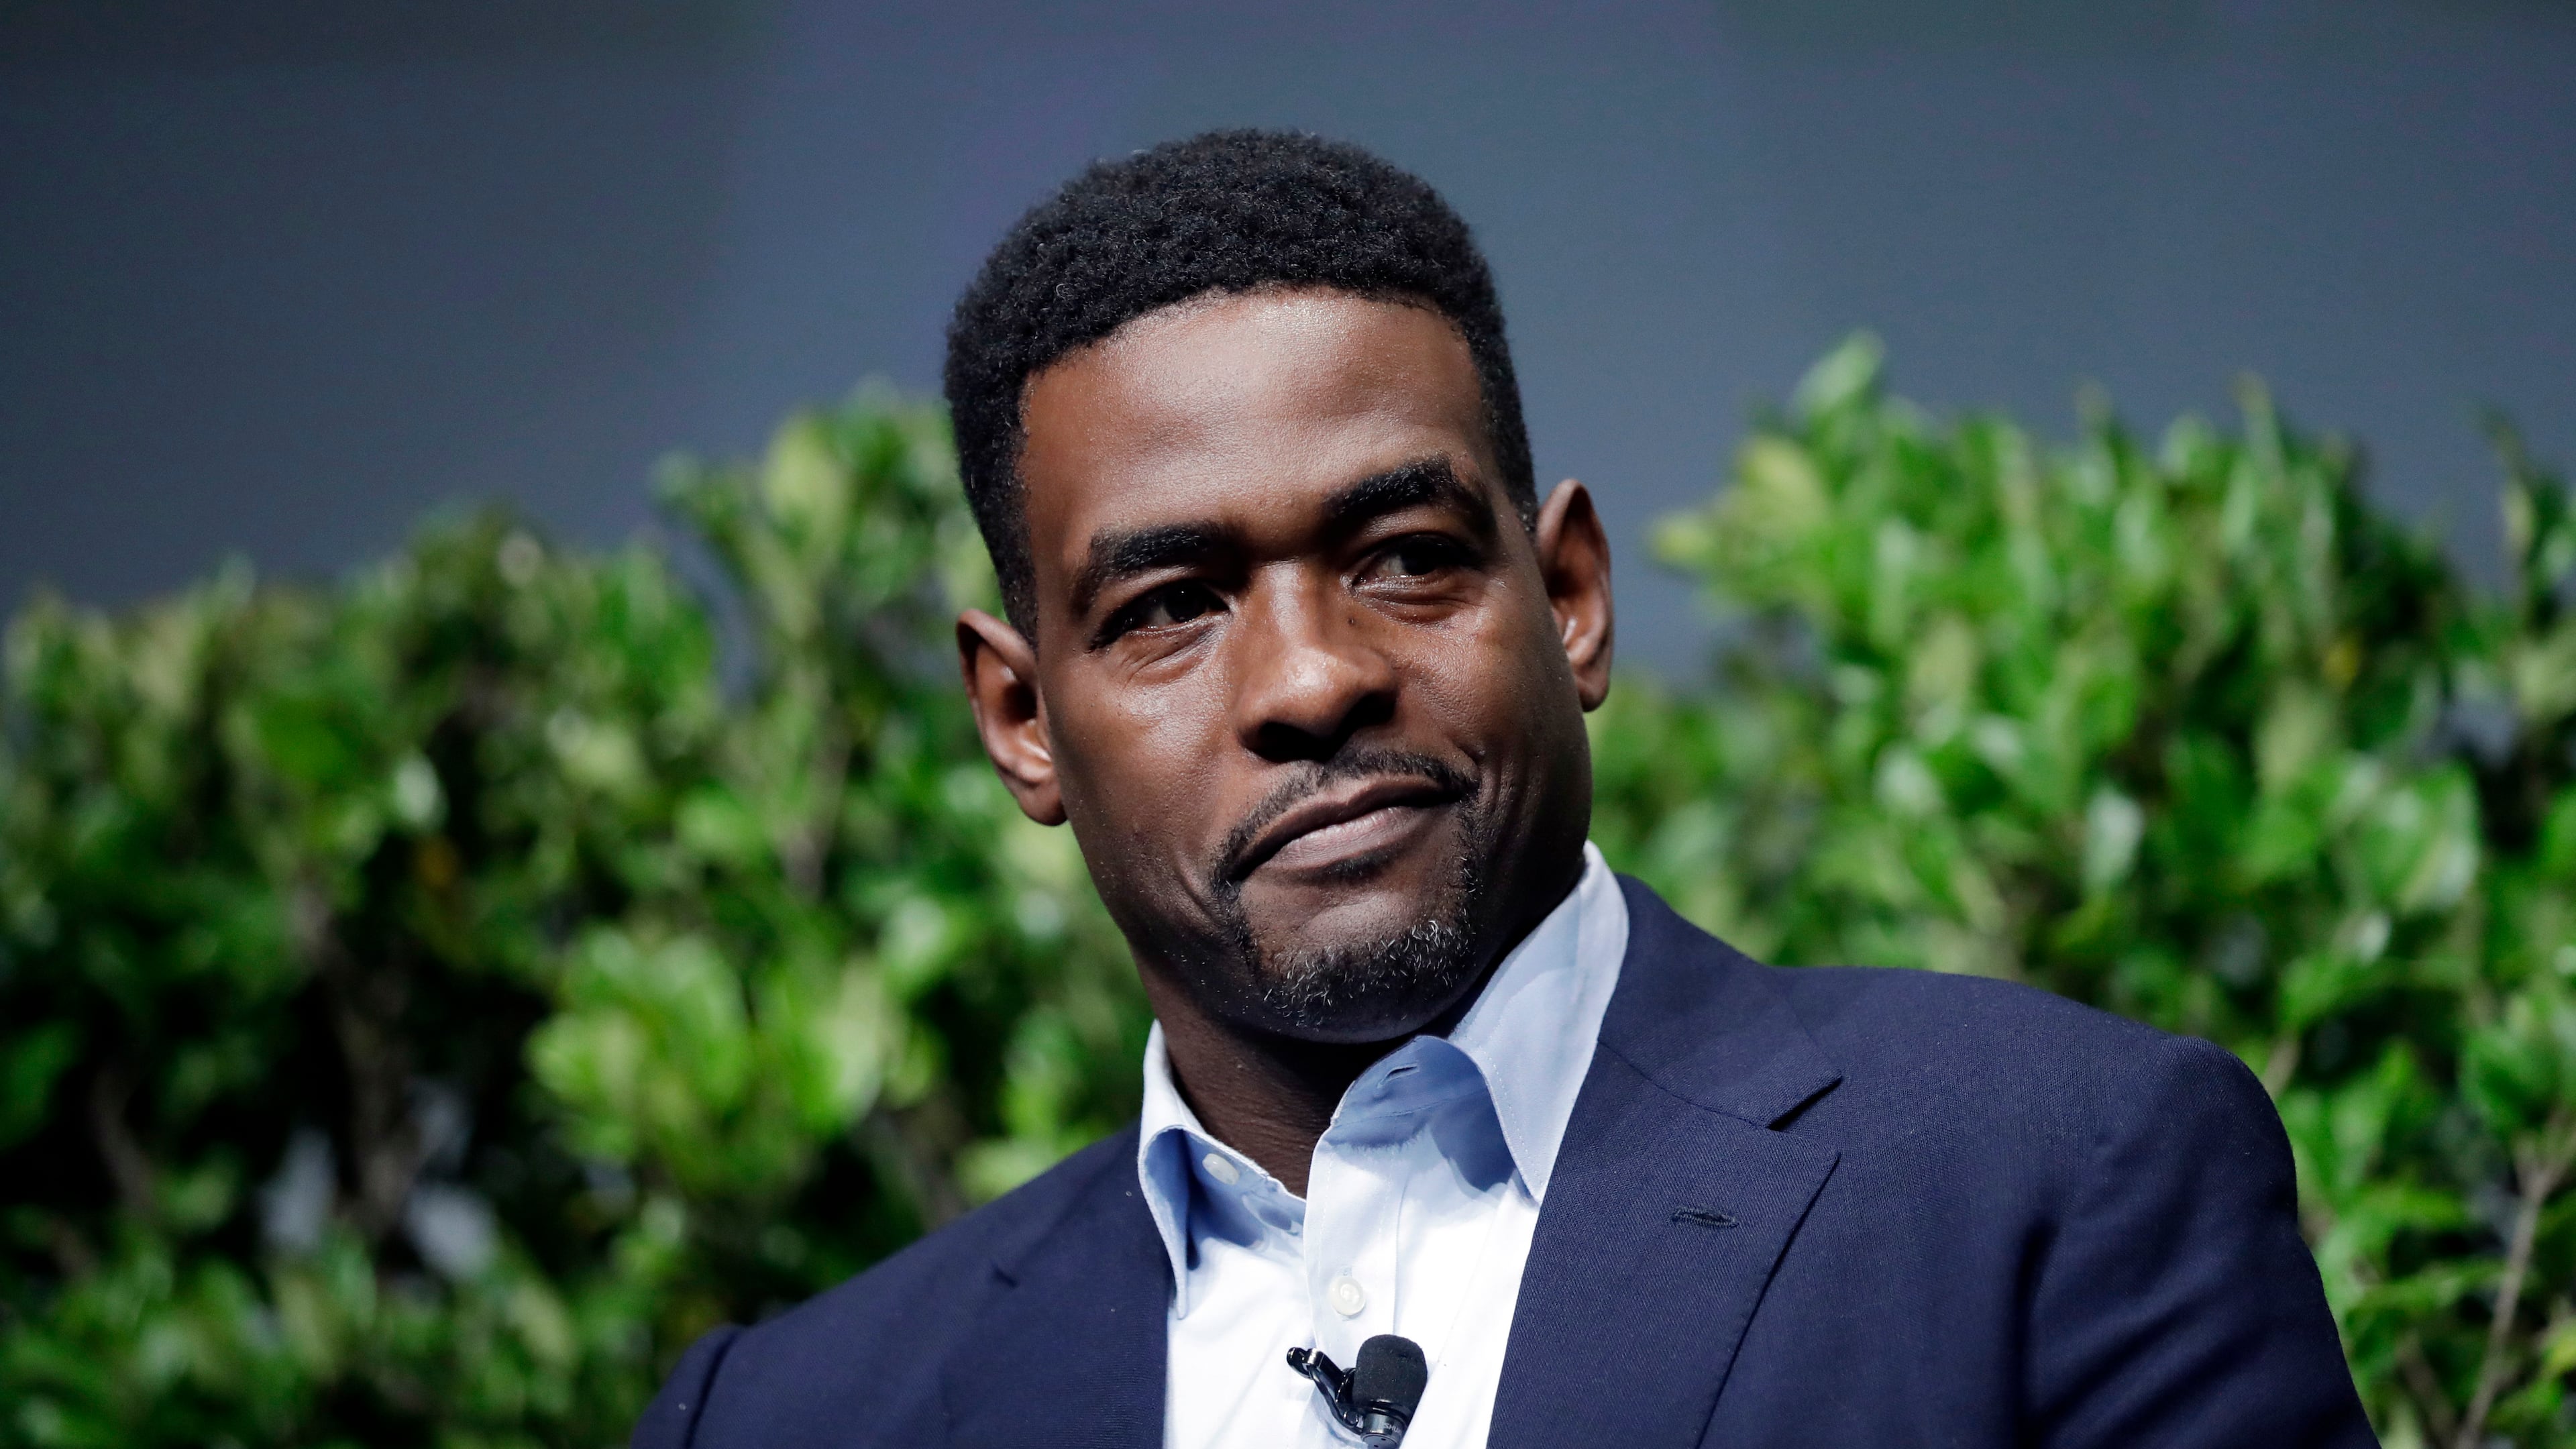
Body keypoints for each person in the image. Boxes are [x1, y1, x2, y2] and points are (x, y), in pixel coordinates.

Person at [634, 129, 2373, 1449]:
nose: (1313, 681)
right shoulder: (791, 1415)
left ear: (1575, 599)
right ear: (1021, 717)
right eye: (1171, 609)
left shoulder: (2055, 1190)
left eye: (1403, 558)